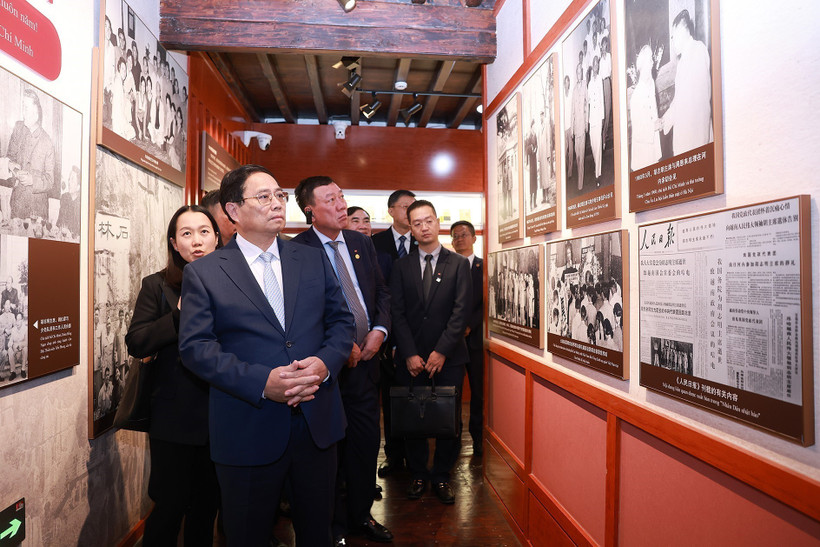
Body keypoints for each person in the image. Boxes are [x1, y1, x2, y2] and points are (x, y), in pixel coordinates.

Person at [178, 164, 354, 547]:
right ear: (233, 211)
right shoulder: (205, 273)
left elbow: (342, 322)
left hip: (316, 425)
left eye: (280, 195)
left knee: (317, 535)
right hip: (247, 427)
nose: (276, 203)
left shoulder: (310, 257)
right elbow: (196, 348)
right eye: (264, 196)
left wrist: (325, 364)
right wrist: (262, 383)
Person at [292, 176, 393, 545]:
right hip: (327, 372)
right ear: (310, 210)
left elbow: (381, 292)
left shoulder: (360, 244)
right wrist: (338, 346)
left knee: (366, 446)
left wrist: (379, 331)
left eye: (342, 197)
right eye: (330, 200)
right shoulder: (295, 250)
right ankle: (331, 527)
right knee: (329, 452)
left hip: (367, 365)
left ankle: (360, 515)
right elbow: (299, 313)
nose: (340, 205)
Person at [125, 204, 221, 546]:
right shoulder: (157, 285)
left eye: (204, 232)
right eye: (186, 233)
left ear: (217, 238)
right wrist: (179, 313)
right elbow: (136, 342)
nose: (197, 241)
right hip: (174, 416)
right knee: (169, 506)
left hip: (223, 412)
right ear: (174, 243)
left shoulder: (236, 283)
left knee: (207, 507)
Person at [391, 200, 471, 505]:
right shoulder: (401, 266)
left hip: (449, 357)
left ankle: (441, 476)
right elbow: (396, 313)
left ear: (438, 223)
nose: (424, 228)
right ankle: (418, 474)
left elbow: (460, 313)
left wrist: (441, 352)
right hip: (412, 360)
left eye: (429, 221)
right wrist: (410, 353)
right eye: (417, 223)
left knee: (449, 420)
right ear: (410, 228)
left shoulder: (459, 264)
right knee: (414, 418)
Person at [370, 189, 417, 478]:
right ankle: (392, 455)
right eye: (405, 207)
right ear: (391, 211)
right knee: (389, 399)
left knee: (415, 399)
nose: (411, 213)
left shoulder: (423, 243)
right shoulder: (374, 243)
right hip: (383, 334)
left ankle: (416, 458)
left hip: (415, 335)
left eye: (414, 207)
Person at [450, 220, 484, 456]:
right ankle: (453, 438)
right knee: (453, 392)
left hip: (475, 341)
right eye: (455, 236)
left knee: (478, 393)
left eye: (464, 235)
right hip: (451, 342)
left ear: (473, 238)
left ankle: (479, 439)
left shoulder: (484, 267)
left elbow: (487, 302)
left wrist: (470, 325)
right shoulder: (446, 265)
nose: (460, 239)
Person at [661, 9, 712, 156]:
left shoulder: (698, 50)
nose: (672, 40)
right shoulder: (683, 60)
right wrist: (664, 121)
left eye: (673, 35)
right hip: (685, 142)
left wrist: (701, 152)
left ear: (683, 30)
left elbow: (702, 107)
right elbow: (679, 100)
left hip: (696, 142)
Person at [2, 89, 55, 221]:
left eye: (26, 108)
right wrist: (12, 167)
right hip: (17, 204)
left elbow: (50, 181)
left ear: (36, 113)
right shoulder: (19, 129)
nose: (23, 113)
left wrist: (32, 180)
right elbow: (9, 158)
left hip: (36, 210)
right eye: (23, 107)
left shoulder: (47, 142)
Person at [630, 45, 663, 170]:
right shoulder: (636, 96)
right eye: (650, 60)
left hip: (653, 147)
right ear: (643, 65)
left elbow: (653, 113)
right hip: (642, 154)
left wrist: (658, 121)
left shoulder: (652, 84)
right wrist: (653, 126)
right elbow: (638, 133)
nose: (653, 63)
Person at [570, 63, 588, 191]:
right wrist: (571, 129)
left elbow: (586, 106)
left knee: (581, 155)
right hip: (576, 129)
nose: (579, 74)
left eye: (580, 72)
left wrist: (587, 123)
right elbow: (572, 112)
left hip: (583, 127)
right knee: (577, 157)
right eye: (577, 72)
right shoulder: (574, 91)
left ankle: (580, 184)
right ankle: (579, 180)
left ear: (582, 73)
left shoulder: (584, 88)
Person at [588, 55, 605, 185]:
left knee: (598, 145)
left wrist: (603, 117)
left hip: (598, 116)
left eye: (597, 65)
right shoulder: (589, 83)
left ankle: (597, 174)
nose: (596, 67)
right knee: (593, 145)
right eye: (594, 65)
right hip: (591, 119)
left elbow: (601, 99)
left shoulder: (599, 79)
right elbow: (587, 102)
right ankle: (596, 167)